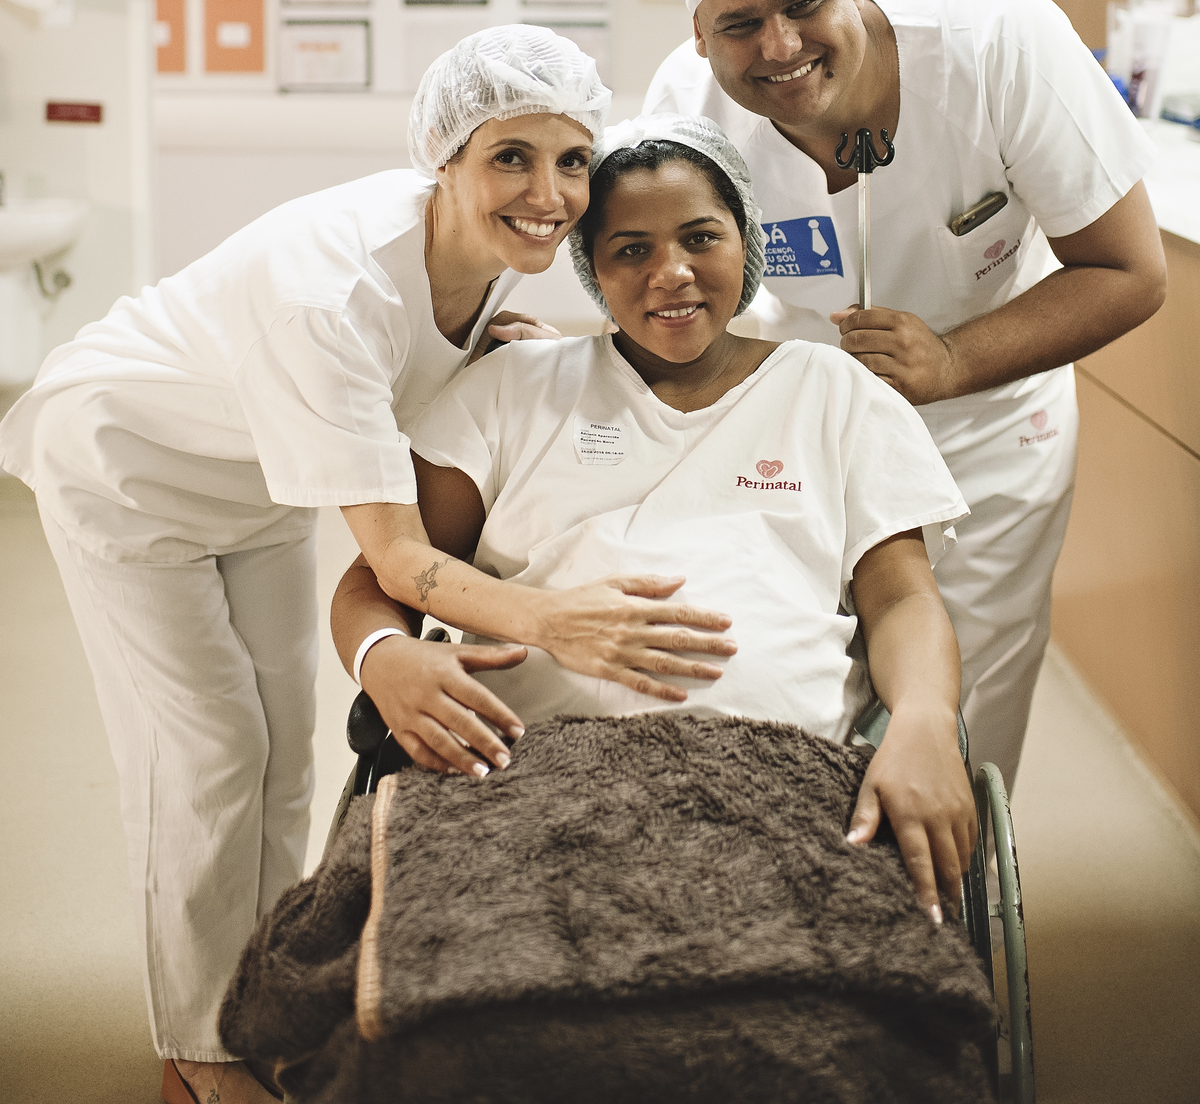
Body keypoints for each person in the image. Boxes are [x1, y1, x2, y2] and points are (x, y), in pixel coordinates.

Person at [0, 25, 651, 1104]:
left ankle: (258, 1004)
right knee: (206, 750)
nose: (551, 192)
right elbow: (394, 550)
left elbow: (408, 393)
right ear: (444, 155)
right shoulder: (332, 286)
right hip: (126, 465)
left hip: (257, 483)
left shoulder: (481, 256)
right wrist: (554, 620)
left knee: (283, 755)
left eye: (573, 158)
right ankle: (202, 1056)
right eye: (512, 157)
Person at [335, 114, 977, 920]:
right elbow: (378, 578)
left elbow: (903, 598)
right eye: (631, 249)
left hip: (782, 774)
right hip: (530, 774)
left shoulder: (836, 392)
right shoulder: (510, 390)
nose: (670, 273)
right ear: (590, 266)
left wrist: (922, 718)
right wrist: (382, 657)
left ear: (747, 242)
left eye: (701, 238)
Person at [640, 0, 1167, 789]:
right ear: (698, 36)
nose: (779, 45)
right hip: (806, 425)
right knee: (796, 673)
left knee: (958, 703)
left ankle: (939, 911)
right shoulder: (690, 109)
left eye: (803, 2)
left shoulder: (997, 41)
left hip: (994, 425)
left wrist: (955, 361)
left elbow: (1128, 272)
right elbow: (664, 292)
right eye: (738, 23)